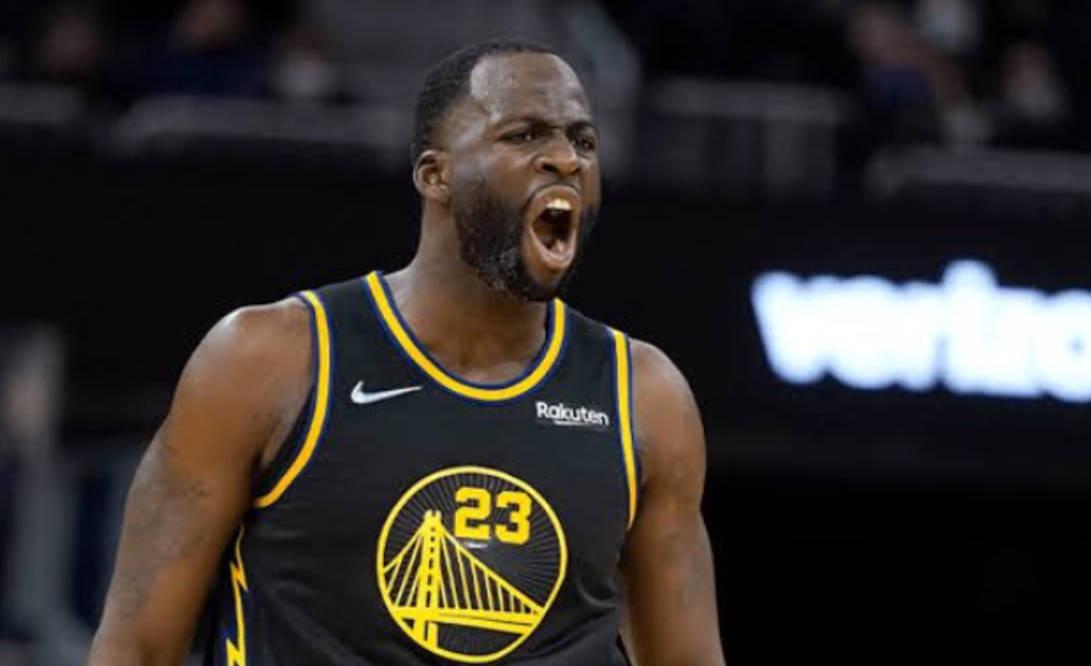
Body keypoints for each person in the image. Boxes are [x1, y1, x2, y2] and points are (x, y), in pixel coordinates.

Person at [89, 39, 725, 665]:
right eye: (524, 135)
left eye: (583, 141)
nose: (565, 159)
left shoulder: (645, 395)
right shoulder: (267, 359)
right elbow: (135, 647)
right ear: (435, 174)